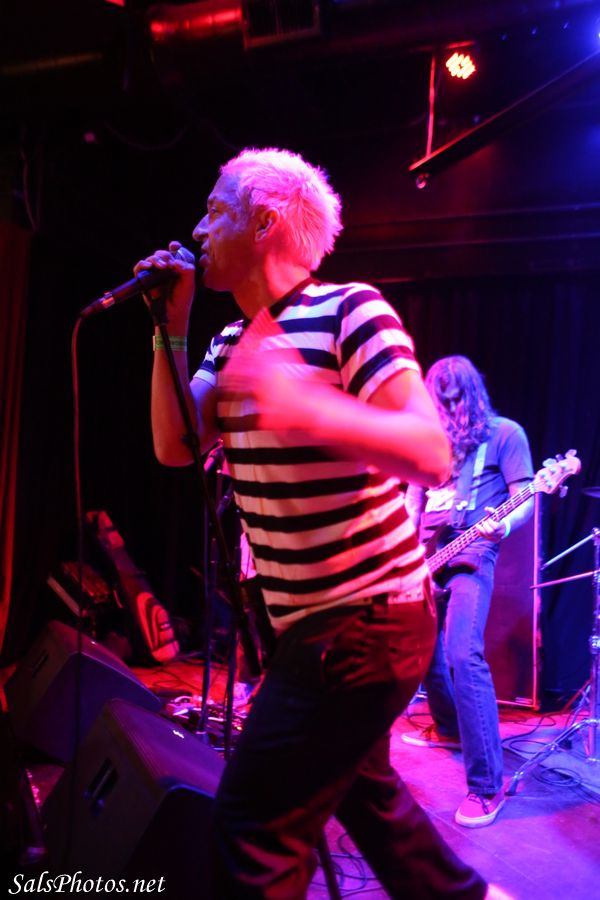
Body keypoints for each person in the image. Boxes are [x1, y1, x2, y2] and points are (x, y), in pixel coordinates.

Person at [135, 149, 500, 898]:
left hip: (366, 620)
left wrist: (306, 406)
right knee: (373, 804)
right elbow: (176, 445)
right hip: (312, 626)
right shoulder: (230, 344)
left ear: (263, 222)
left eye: (215, 210)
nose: (198, 228)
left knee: (253, 826)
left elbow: (432, 452)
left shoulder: (350, 310)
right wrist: (169, 327)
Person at [403, 356, 534, 829]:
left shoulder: (504, 434)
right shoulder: (430, 442)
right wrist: (404, 552)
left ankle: (486, 785)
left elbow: (525, 494)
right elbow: (413, 500)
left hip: (473, 551)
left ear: (473, 396)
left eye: (457, 399)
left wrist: (504, 524)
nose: (450, 408)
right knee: (420, 651)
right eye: (442, 401)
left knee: (462, 653)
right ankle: (451, 728)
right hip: (425, 556)